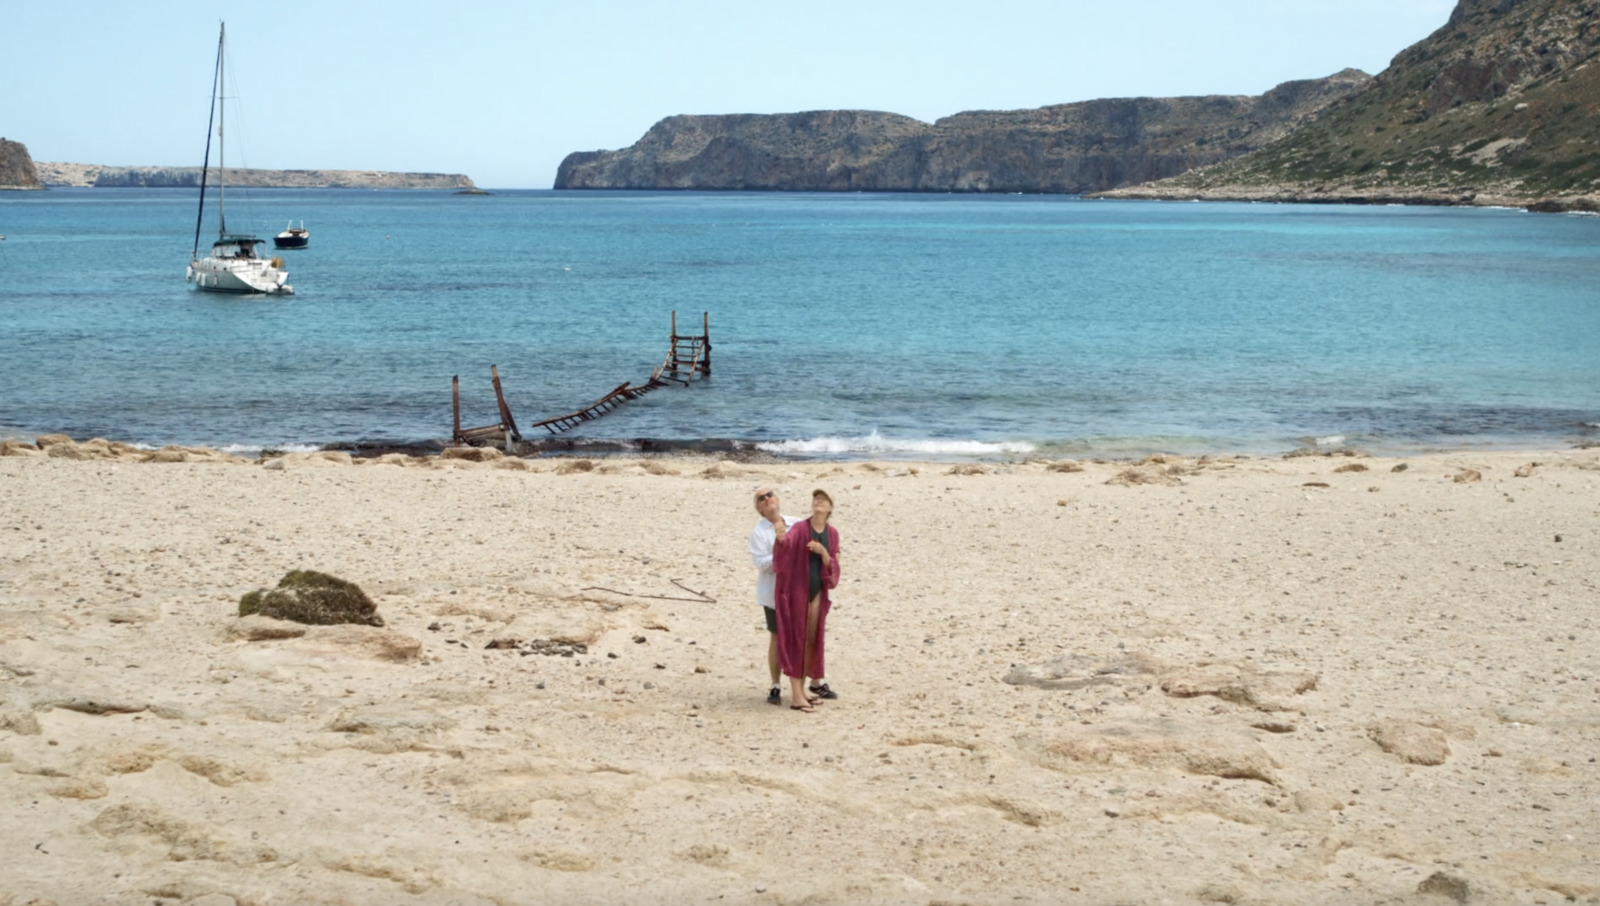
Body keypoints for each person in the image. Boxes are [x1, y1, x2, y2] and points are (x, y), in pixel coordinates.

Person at [773, 489, 841, 713]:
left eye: (824, 500)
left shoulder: (832, 534)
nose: (819, 502)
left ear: (831, 508)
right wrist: (781, 538)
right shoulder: (801, 528)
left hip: (817, 593)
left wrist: (823, 553)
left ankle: (802, 692)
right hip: (796, 591)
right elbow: (785, 549)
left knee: (810, 640)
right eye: (816, 499)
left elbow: (834, 566)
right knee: (797, 639)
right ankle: (795, 696)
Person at [748, 486, 798, 705]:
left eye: (770, 494)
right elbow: (760, 563)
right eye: (762, 497)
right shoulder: (759, 533)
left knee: (802, 636)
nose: (767, 498)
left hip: (799, 589)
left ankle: (808, 683)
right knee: (777, 636)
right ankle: (775, 684)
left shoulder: (797, 524)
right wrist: (781, 551)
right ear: (759, 508)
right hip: (773, 592)